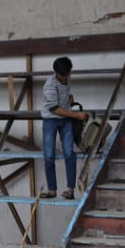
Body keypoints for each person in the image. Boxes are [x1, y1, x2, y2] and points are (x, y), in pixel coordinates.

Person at [40, 57, 87, 199]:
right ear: (57, 73)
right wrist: (75, 115)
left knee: (69, 154)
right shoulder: (50, 85)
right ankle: (52, 190)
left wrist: (69, 99)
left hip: (65, 120)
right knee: (49, 156)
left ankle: (70, 190)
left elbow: (64, 95)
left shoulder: (67, 77)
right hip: (51, 120)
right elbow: (54, 109)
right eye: (64, 75)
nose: (66, 77)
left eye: (68, 73)